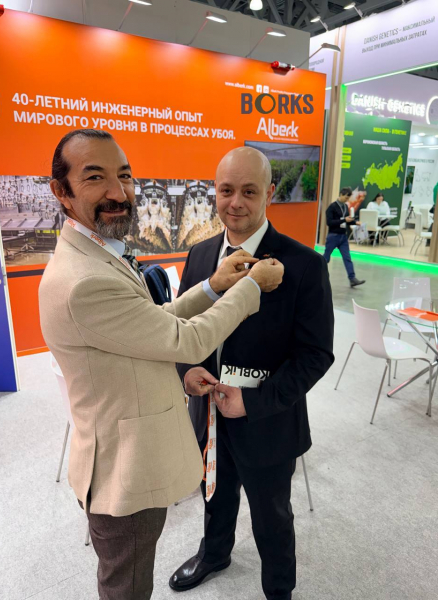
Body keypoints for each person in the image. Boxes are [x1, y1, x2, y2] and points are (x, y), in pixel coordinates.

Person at [38, 130, 284, 600]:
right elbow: (184, 339)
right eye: (95, 177)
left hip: (229, 430)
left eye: (125, 176)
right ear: (61, 191)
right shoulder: (84, 279)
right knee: (128, 586)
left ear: (268, 193)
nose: (118, 192)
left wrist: (212, 286)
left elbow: (154, 322)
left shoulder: (98, 252)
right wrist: (250, 288)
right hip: (123, 475)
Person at [169, 147, 335, 600]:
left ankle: (279, 588)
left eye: (249, 191)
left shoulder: (304, 265)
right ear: (214, 191)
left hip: (268, 419)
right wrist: (187, 371)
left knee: (272, 514)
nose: (235, 203)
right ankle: (214, 553)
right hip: (208, 412)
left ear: (270, 193)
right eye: (226, 190)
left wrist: (254, 400)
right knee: (214, 493)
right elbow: (180, 330)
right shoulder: (201, 255)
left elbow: (316, 355)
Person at [324, 186, 365, 287]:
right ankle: (317, 274)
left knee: (347, 258)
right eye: (346, 197)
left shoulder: (345, 207)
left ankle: (352, 279)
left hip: (343, 237)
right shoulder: (332, 207)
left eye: (348, 198)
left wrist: (355, 222)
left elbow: (347, 221)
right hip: (333, 236)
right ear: (341, 194)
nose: (347, 200)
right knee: (326, 258)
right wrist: (344, 220)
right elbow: (329, 222)